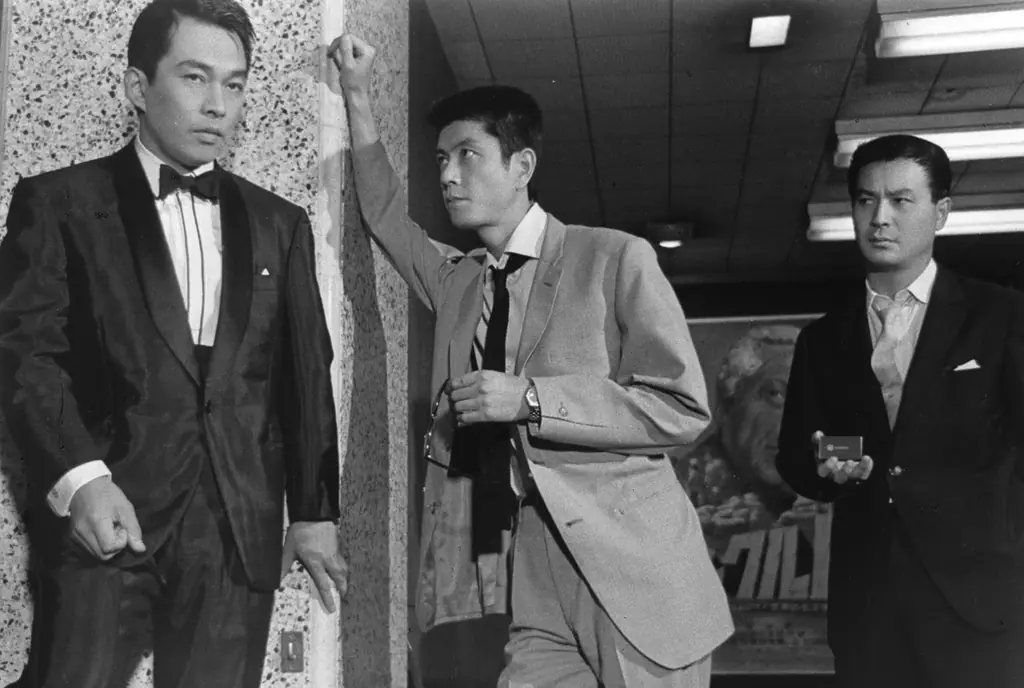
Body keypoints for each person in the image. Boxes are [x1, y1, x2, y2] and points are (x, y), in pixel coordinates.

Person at [332, 34, 733, 688]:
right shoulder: (458, 280)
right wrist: (356, 94)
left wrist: (532, 400)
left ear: (521, 165)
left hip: (633, 572)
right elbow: (383, 215)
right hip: (529, 564)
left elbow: (682, 408)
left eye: (468, 155)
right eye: (441, 160)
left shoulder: (613, 259)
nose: (448, 176)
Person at [0, 1, 346, 686]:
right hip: (105, 514)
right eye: (195, 78)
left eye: (235, 84)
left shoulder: (281, 224)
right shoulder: (59, 203)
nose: (218, 104)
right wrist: (82, 480)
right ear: (138, 86)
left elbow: (305, 376)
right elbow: (24, 356)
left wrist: (312, 513)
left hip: (236, 530)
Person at [775, 134, 1024, 687]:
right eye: (866, 200)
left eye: (901, 200)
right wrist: (830, 464)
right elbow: (798, 454)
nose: (880, 218)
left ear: (941, 212)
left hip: (982, 605)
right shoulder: (823, 339)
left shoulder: (1003, 316)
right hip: (869, 611)